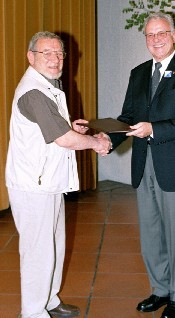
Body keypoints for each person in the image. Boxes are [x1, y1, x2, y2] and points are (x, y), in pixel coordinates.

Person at [5, 31, 111, 318]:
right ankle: (33, 313)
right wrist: (96, 142)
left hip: (47, 181)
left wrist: (70, 129)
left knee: (54, 246)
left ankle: (50, 301)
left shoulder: (49, 86)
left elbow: (52, 132)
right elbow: (62, 139)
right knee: (38, 252)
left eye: (59, 53)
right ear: (31, 57)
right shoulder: (34, 91)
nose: (55, 59)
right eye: (46, 53)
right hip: (32, 184)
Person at [108, 12, 175, 318]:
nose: (156, 40)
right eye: (150, 35)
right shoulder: (138, 73)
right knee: (151, 232)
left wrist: (154, 129)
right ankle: (160, 289)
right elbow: (127, 118)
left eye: (161, 33)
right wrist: (103, 138)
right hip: (144, 163)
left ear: (174, 35)